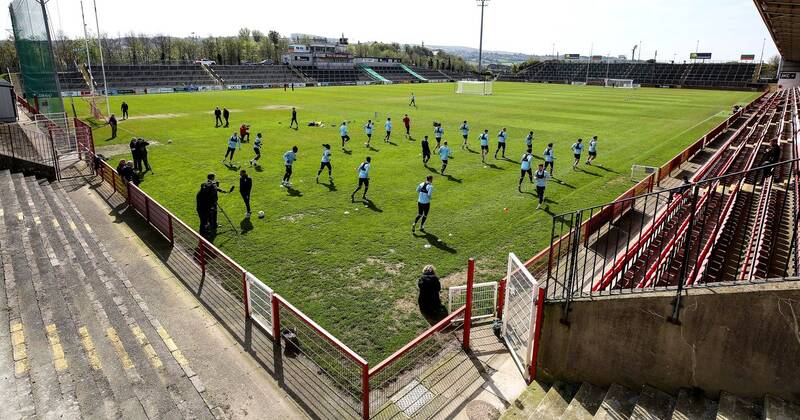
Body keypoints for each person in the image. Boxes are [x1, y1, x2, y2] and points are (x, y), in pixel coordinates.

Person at [196, 173, 232, 238]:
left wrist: (223, 191)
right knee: (204, 221)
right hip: (204, 207)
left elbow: (216, 188)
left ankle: (213, 226)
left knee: (212, 216)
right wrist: (212, 204)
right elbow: (212, 194)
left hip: (207, 206)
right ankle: (203, 234)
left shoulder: (206, 188)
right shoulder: (206, 193)